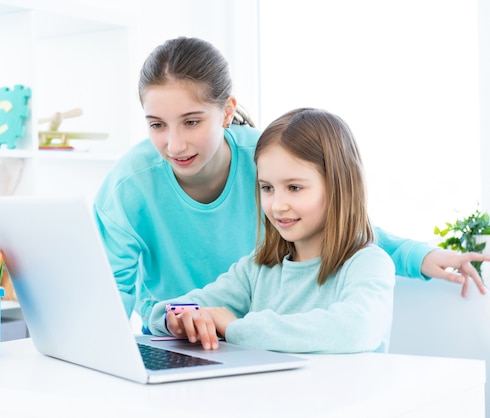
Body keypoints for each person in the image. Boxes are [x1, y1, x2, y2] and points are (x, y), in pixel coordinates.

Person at [92, 36, 488, 332]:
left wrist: (416, 255)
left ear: (227, 111)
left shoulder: (268, 161)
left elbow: (335, 222)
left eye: (192, 121)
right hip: (187, 338)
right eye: (156, 125)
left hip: (254, 338)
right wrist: (171, 321)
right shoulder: (129, 186)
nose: (173, 144)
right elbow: (110, 296)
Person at [148, 108, 395, 353]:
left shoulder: (368, 264)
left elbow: (357, 329)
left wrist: (235, 329)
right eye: (267, 188)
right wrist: (176, 319)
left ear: (339, 187)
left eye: (295, 188)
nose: (277, 205)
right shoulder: (258, 269)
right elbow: (178, 308)